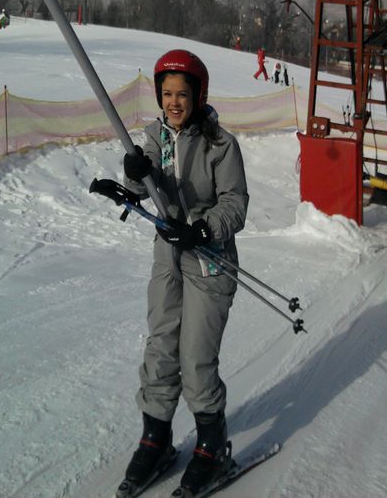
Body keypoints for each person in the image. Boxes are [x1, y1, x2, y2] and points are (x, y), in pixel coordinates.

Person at [119, 49, 249, 497]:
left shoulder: (220, 145)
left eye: (182, 93)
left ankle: (212, 445)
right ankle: (156, 438)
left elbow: (235, 204)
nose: (174, 102)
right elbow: (145, 186)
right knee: (160, 349)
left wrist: (202, 227)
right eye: (167, 93)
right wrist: (134, 173)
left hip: (209, 261)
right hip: (167, 258)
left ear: (198, 95)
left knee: (195, 357)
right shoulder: (156, 137)